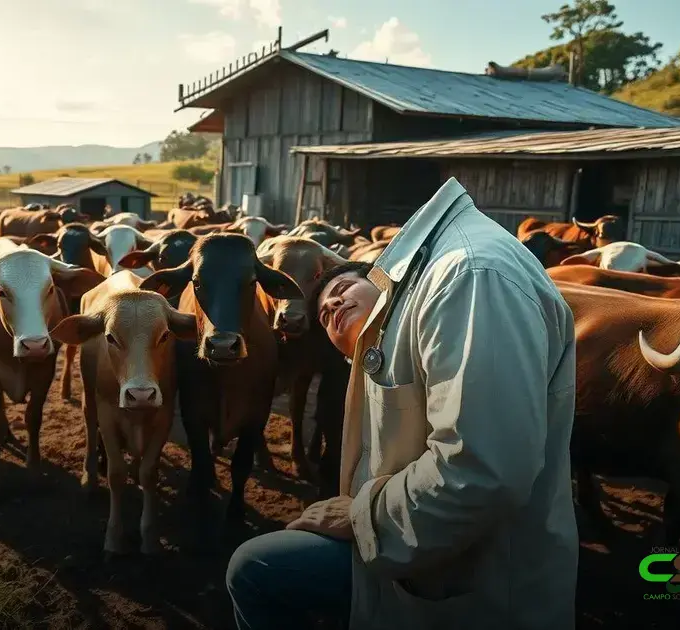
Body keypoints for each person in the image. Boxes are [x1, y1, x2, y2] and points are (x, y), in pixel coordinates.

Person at [226, 178, 578, 630]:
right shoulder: (438, 281)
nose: (331, 304)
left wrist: (361, 515)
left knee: (255, 568)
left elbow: (482, 468)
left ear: (380, 277)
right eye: (322, 317)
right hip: (427, 551)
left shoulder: (467, 275)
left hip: (470, 577)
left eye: (342, 288)